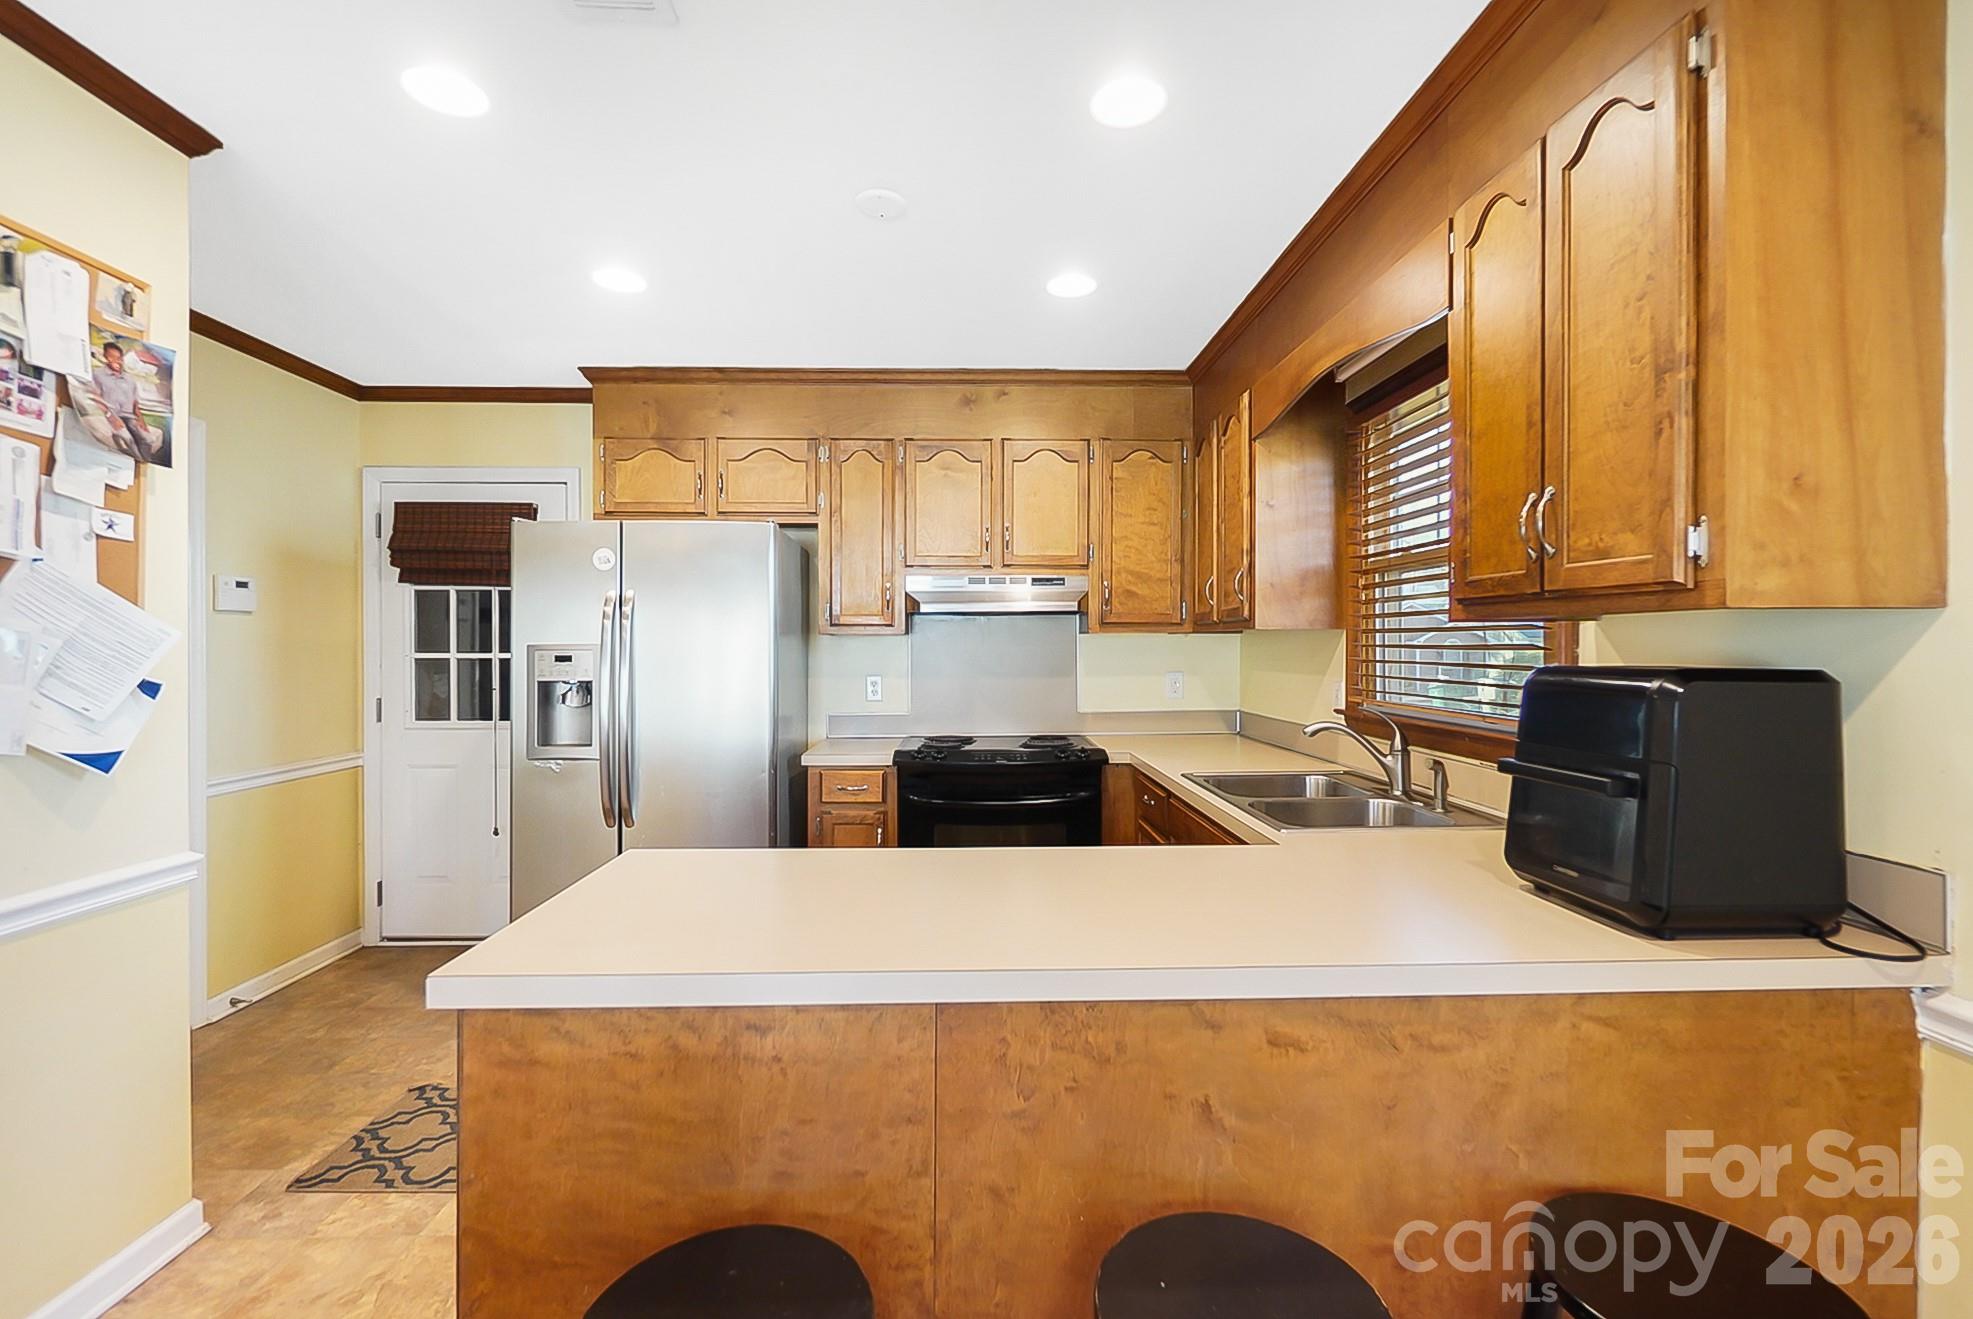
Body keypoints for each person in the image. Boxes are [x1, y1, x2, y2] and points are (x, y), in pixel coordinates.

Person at [89, 340, 159, 460]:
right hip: (111, 415)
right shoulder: (98, 375)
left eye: (119, 358)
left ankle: (144, 461)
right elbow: (96, 398)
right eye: (112, 357)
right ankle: (135, 460)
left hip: (129, 416)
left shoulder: (129, 379)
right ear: (105, 358)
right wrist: (111, 417)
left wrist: (141, 421)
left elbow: (135, 403)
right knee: (127, 438)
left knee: (147, 439)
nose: (116, 361)